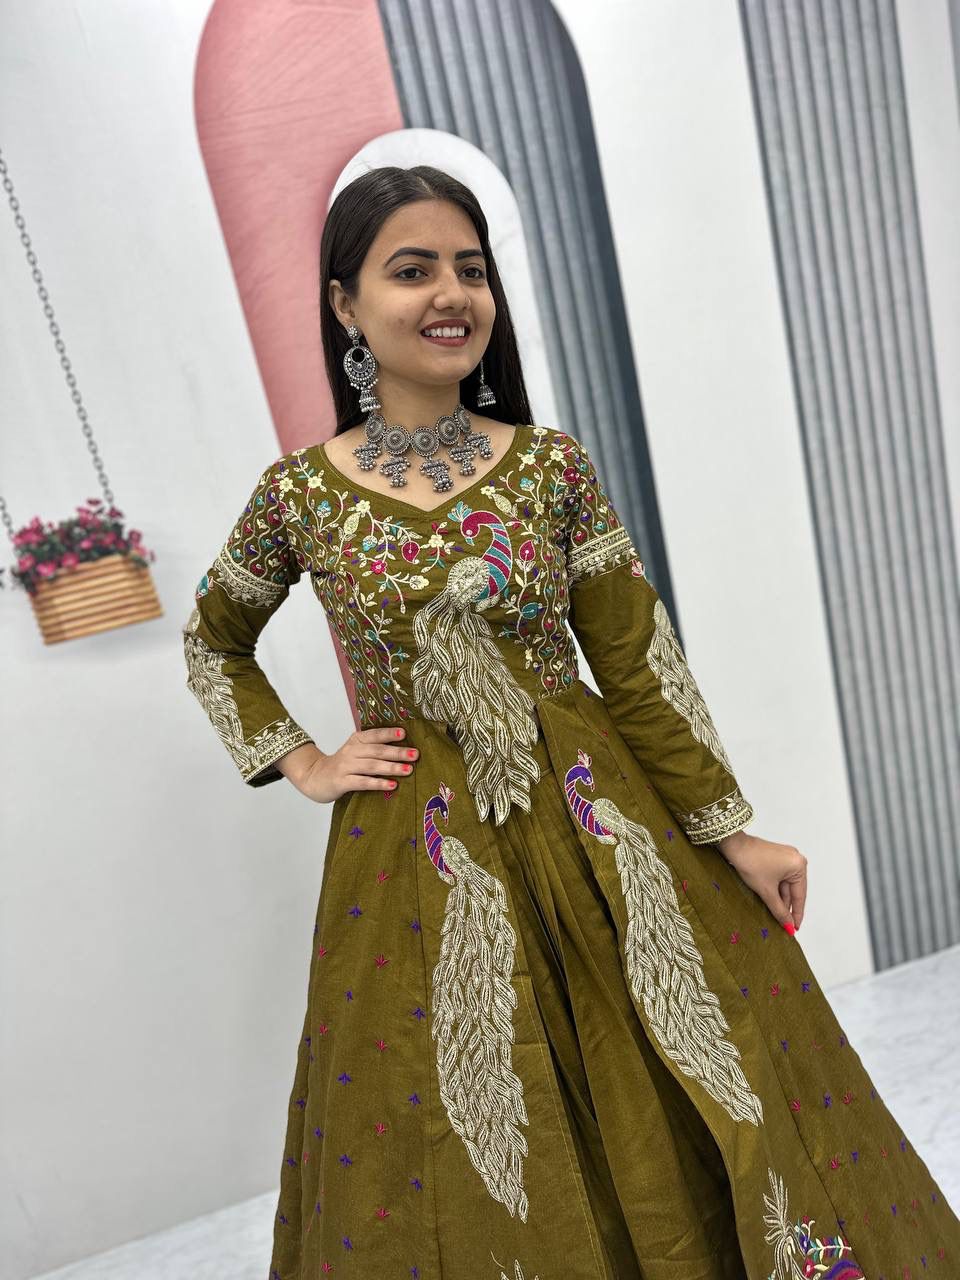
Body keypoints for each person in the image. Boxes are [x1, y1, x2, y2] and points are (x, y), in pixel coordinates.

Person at [183, 165, 959, 1280]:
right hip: (420, 850)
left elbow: (638, 662)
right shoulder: (299, 495)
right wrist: (301, 760)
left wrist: (731, 829)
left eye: (471, 269)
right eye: (412, 270)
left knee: (702, 1081)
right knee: (470, 1117)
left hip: (604, 833)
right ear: (346, 303)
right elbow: (213, 639)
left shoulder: (549, 467)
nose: (451, 294)